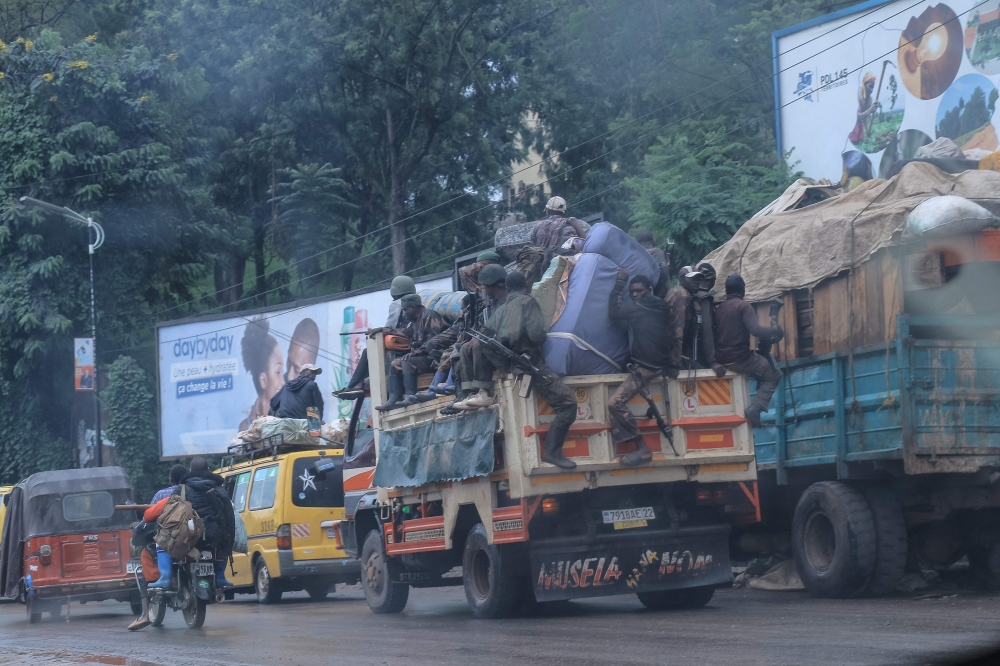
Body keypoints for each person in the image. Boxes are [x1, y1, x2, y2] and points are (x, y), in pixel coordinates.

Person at [454, 269, 579, 470]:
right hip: (532, 364)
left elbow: (483, 339)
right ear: (526, 286)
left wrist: (501, 364)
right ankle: (552, 452)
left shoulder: (501, 309)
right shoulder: (527, 302)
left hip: (514, 366)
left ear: (507, 287)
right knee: (568, 404)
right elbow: (537, 334)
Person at [607, 269, 675, 466]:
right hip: (651, 363)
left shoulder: (646, 306)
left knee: (614, 403)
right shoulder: (658, 306)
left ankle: (643, 449)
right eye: (632, 292)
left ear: (650, 290)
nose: (635, 295)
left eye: (639, 291)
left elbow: (614, 312)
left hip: (647, 367)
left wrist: (620, 282)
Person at [714, 274, 784, 428]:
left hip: (721, 359)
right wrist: (774, 330)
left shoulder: (719, 308)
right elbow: (755, 330)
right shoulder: (743, 306)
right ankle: (755, 408)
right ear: (742, 289)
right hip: (740, 359)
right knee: (773, 374)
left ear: (727, 290)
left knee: (760, 364)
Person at [335, 275, 416, 400]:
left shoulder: (396, 304)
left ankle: (354, 385)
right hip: (410, 342)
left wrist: (378, 331)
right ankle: (358, 384)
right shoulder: (415, 301)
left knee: (369, 352)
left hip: (401, 343)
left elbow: (390, 325)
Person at [131, 463, 189, 629]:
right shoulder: (195, 493)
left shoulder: (162, 495)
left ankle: (144, 614)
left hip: (168, 541)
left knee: (146, 556)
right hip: (194, 538)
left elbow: (148, 517)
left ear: (171, 480)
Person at [376, 293, 449, 411]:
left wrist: (416, 352)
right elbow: (402, 332)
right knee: (395, 363)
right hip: (424, 356)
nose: (404, 314)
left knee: (407, 361)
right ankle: (394, 398)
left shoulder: (429, 316)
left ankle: (411, 395)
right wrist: (381, 330)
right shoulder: (416, 321)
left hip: (437, 357)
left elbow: (434, 342)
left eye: (405, 310)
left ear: (414, 308)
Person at [177, 457, 236, 589]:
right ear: (208, 470)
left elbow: (171, 517)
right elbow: (230, 520)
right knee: (223, 543)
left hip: (188, 537)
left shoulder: (181, 491)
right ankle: (220, 577)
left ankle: (171, 579)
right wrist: (228, 543)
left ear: (191, 471)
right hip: (214, 536)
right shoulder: (221, 491)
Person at [664, 266, 724, 377]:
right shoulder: (682, 296)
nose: (697, 282)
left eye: (698, 279)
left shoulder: (677, 291)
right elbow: (677, 331)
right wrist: (674, 363)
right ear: (681, 279)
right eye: (692, 279)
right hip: (674, 356)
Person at [239, 317, 285, 430]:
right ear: (263, 380)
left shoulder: (287, 419)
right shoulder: (245, 429)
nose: (283, 381)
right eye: (278, 372)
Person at [634, 229, 671, 297]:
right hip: (660, 296)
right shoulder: (660, 253)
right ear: (654, 242)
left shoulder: (635, 254)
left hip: (639, 295)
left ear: (637, 243)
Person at [848, 73, 879, 146]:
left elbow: (865, 117)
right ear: (864, 85)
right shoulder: (858, 94)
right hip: (852, 126)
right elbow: (857, 116)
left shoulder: (870, 99)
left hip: (860, 127)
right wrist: (870, 110)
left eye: (873, 88)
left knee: (860, 141)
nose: (871, 90)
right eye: (870, 86)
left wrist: (867, 129)